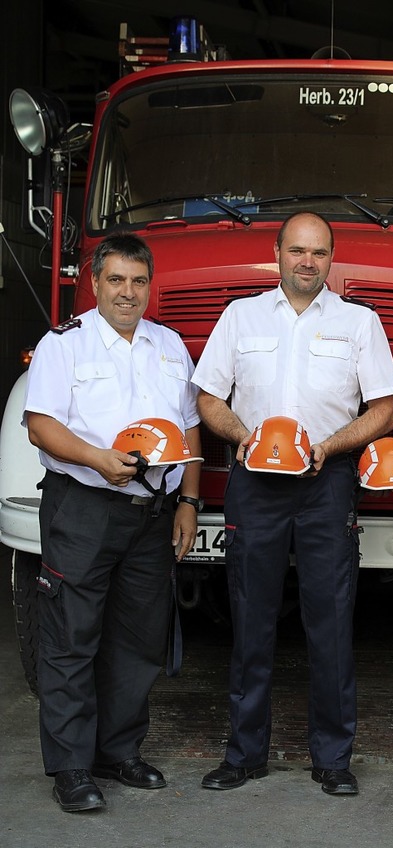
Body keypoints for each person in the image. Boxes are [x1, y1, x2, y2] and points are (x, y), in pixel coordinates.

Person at [192, 211, 393, 796]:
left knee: (330, 622)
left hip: (326, 482)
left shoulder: (360, 323)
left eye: (319, 253)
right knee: (250, 618)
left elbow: (385, 408)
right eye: (297, 251)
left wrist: (330, 447)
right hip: (254, 483)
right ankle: (244, 754)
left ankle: (333, 759)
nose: (307, 262)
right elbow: (208, 396)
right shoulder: (241, 316)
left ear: (331, 259)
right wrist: (241, 437)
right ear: (277, 252)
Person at [23, 232, 202, 813]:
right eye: (116, 280)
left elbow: (191, 428)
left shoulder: (170, 344)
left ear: (150, 287)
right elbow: (40, 425)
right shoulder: (64, 345)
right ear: (95, 283)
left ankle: (118, 751)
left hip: (151, 514)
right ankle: (72, 767)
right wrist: (97, 458)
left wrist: (189, 502)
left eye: (138, 281)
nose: (128, 292)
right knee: (71, 637)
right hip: (83, 509)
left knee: (138, 640)